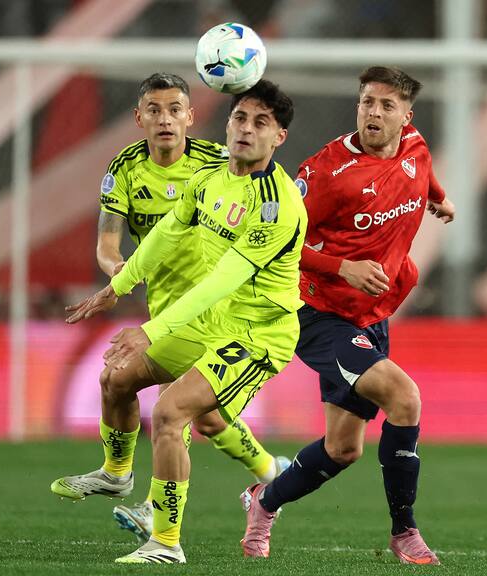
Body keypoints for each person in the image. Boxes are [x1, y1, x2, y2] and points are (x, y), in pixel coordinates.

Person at [62, 79, 306, 564]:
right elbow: (167, 234)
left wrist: (149, 330)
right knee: (117, 376)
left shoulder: (278, 206)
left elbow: (222, 280)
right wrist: (118, 286)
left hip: (259, 333)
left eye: (261, 123)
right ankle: (117, 474)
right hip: (211, 321)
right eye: (240, 118)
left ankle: (166, 543)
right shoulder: (210, 178)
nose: (246, 130)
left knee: (173, 412)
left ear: (279, 138)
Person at [240, 66, 455, 565]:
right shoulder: (324, 173)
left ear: (406, 116)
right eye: (366, 103)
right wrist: (344, 267)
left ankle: (263, 501)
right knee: (404, 398)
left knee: (342, 449)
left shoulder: (415, 147)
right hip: (319, 313)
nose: (373, 113)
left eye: (385, 106)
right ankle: (405, 530)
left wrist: (438, 200)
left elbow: (423, 173)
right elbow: (277, 242)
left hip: (372, 315)